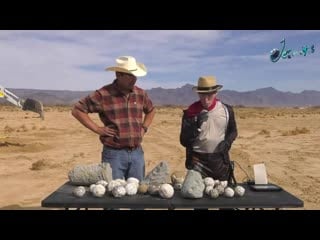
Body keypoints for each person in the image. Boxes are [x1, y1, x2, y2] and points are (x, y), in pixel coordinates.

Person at [72, 56, 156, 181]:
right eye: (130, 75)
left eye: (135, 75)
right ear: (118, 75)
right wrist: (97, 129)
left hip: (137, 153)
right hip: (114, 154)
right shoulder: (103, 94)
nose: (134, 79)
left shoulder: (140, 94)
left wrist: (144, 128)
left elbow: (151, 110)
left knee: (137, 194)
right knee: (113, 193)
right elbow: (77, 110)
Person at [179, 76, 237, 183]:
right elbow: (183, 141)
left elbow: (233, 131)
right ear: (198, 94)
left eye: (209, 95)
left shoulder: (227, 110)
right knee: (197, 195)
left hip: (220, 161)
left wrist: (227, 142)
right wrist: (193, 128)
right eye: (202, 95)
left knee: (221, 194)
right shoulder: (190, 113)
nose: (205, 99)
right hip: (197, 161)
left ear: (215, 93)